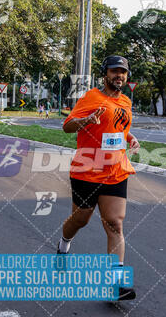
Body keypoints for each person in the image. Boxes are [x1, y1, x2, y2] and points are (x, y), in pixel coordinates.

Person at [57, 55, 140, 301]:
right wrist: (84, 121)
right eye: (115, 71)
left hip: (115, 170)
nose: (119, 76)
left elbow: (117, 127)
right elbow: (68, 125)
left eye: (123, 72)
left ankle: (115, 284)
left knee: (115, 223)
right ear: (105, 74)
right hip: (87, 169)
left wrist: (129, 137)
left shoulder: (125, 101)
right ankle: (63, 245)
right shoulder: (91, 97)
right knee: (81, 218)